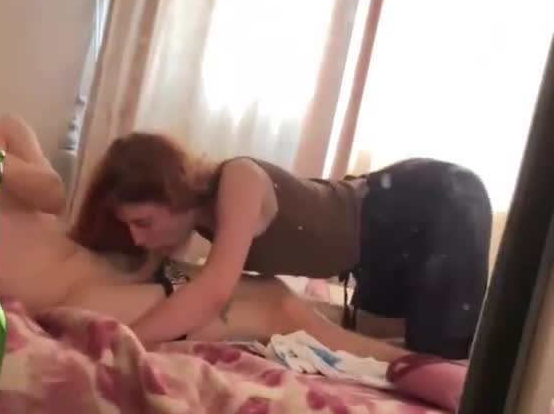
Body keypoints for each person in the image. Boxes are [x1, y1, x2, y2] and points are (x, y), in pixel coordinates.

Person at [0, 0, 398, 359]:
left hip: (100, 265)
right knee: (274, 305)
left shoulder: (3, 131)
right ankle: (400, 365)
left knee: (274, 298)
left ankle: (403, 363)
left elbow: (53, 197)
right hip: (71, 295)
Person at [73, 132, 493, 359]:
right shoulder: (199, 226)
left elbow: (214, 289)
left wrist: (122, 341)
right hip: (380, 245)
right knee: (389, 347)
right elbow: (178, 291)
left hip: (433, 199)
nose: (138, 238)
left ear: (176, 192)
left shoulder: (238, 180)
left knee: (444, 358)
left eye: (144, 223)